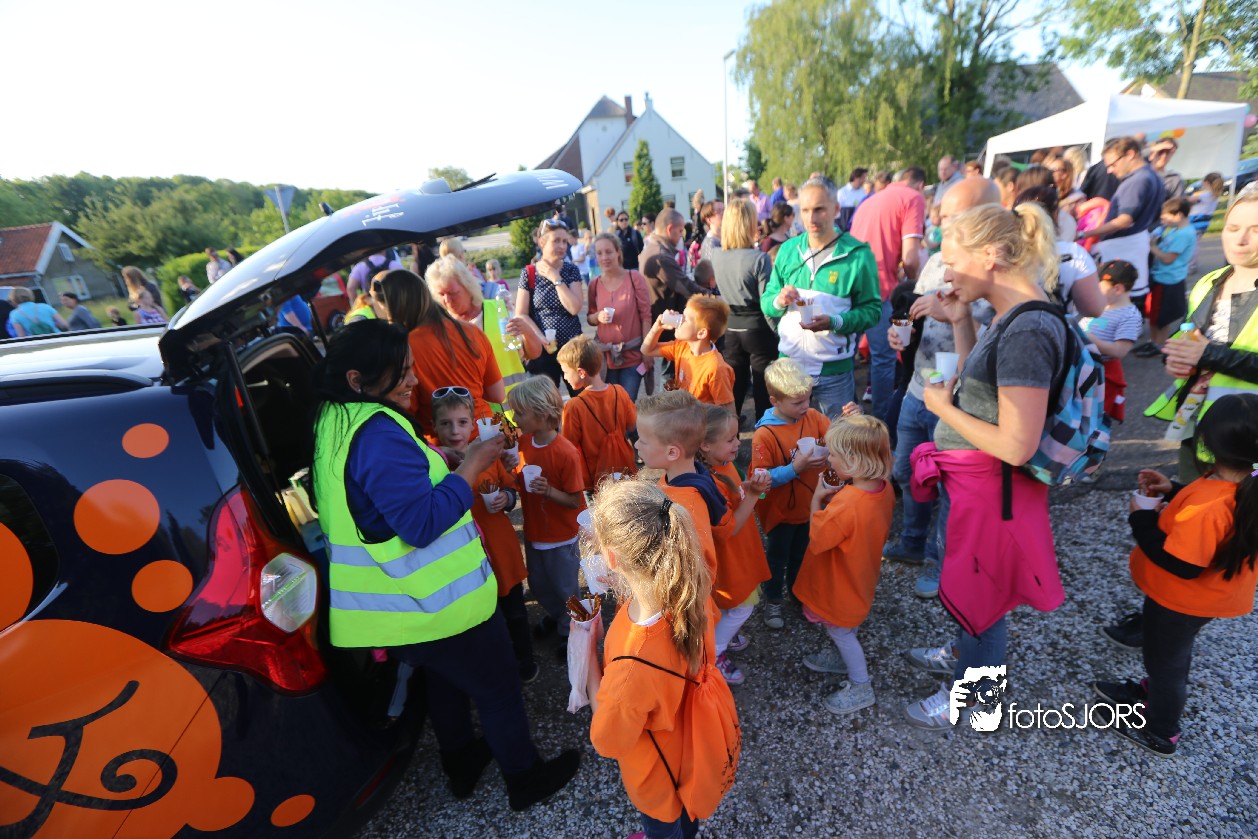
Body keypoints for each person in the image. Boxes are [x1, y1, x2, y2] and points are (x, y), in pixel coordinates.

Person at [309, 319, 578, 809]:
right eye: (402, 372)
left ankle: (461, 761)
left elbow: (379, 494)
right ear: (357, 379)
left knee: (445, 683)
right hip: (438, 603)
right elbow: (421, 523)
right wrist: (471, 465)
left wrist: (445, 462)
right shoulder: (379, 432)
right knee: (498, 687)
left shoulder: (335, 419)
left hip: (401, 605)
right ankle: (524, 777)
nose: (414, 380)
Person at [903, 202, 1068, 730]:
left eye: (953, 263)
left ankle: (975, 698)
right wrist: (959, 322)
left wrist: (942, 408)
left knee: (985, 593)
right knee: (972, 584)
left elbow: (1017, 444)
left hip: (995, 489)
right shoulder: (1010, 312)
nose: (946, 276)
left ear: (992, 255)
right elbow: (987, 384)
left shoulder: (1026, 330)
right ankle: (965, 655)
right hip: (977, 483)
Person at [1093, 393, 1258, 757]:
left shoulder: (1209, 509)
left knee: (1164, 663)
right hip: (1206, 598)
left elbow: (1182, 565)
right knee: (1171, 655)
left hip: (1180, 601)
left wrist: (1141, 518)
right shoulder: (1243, 485)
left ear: (1207, 442)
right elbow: (1217, 509)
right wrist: (1174, 491)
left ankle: (1160, 729)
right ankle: (1154, 694)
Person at [586, 479, 736, 839]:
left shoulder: (631, 668)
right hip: (693, 750)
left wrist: (589, 659)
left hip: (659, 775)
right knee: (687, 815)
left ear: (611, 558)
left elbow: (609, 741)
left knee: (664, 827)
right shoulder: (692, 590)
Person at [884, 176, 1002, 597]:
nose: (943, 224)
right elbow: (914, 314)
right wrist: (902, 335)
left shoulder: (1000, 275)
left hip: (963, 402)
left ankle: (939, 562)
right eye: (943, 215)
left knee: (952, 487)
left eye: (956, 216)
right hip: (920, 386)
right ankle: (913, 541)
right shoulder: (936, 261)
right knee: (906, 471)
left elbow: (1000, 342)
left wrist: (956, 316)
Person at [1145, 186, 1258, 482]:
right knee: (1194, 501)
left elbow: (1205, 351)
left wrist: (1207, 354)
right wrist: (1175, 360)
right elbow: (1188, 337)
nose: (1240, 239)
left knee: (1242, 509)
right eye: (1232, 228)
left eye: (1255, 230)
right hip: (1198, 426)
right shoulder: (1209, 282)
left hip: (1248, 441)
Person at [430, 388, 536, 683]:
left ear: (473, 424)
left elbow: (511, 487)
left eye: (462, 422)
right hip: (465, 557)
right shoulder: (433, 462)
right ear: (434, 426)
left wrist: (507, 498)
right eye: (446, 423)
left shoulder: (488, 455)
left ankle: (524, 660)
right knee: (484, 618)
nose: (455, 431)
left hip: (499, 549)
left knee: (514, 611)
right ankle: (497, 666)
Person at [794, 415, 895, 715]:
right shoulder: (883, 487)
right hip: (861, 574)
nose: (829, 460)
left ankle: (861, 685)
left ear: (852, 463)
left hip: (840, 583)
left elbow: (818, 538)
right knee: (846, 627)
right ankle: (842, 657)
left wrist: (817, 500)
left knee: (841, 632)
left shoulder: (848, 503)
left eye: (834, 456)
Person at [761, 176, 881, 418]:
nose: (812, 218)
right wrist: (779, 300)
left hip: (834, 372)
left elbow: (872, 310)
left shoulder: (857, 254)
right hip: (790, 367)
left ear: (836, 209)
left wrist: (835, 322)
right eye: (805, 210)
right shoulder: (788, 250)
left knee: (840, 435)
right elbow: (767, 302)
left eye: (819, 209)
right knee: (790, 436)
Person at [751, 358, 832, 630]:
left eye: (808, 398)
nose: (805, 406)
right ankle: (773, 600)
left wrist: (845, 425)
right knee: (777, 558)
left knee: (802, 555)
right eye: (798, 402)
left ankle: (798, 596)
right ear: (775, 401)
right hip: (781, 512)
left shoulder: (813, 417)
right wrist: (795, 468)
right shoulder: (764, 435)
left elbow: (834, 437)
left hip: (808, 506)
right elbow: (761, 480)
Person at [373, 268, 505, 435]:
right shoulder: (472, 332)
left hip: (443, 443)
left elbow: (406, 411)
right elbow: (497, 395)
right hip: (486, 434)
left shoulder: (404, 348)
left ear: (391, 308)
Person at [507, 376, 586, 653]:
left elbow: (575, 500)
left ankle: (573, 631)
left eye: (520, 412)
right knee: (539, 585)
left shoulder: (566, 452)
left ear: (541, 415)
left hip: (561, 537)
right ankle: (560, 617)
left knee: (566, 589)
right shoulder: (523, 443)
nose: (514, 418)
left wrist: (549, 491)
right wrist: (509, 470)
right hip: (535, 532)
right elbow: (519, 480)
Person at [697, 405, 771, 684]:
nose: (738, 443)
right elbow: (728, 530)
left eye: (737, 436)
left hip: (740, 550)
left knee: (731, 605)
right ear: (705, 445)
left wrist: (751, 488)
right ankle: (715, 652)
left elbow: (738, 496)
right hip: (730, 557)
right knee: (742, 607)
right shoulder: (710, 481)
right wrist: (753, 495)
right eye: (730, 439)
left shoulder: (724, 465)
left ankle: (724, 631)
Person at [850, 167, 928, 420]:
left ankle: (849, 418)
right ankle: (881, 422)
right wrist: (915, 284)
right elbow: (911, 257)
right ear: (920, 184)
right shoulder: (913, 198)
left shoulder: (870, 200)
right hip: (881, 286)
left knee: (846, 354)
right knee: (883, 358)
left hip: (852, 284)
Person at [634, 391, 731, 584]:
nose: (636, 445)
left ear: (672, 452)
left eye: (643, 441)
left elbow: (695, 574)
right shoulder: (680, 478)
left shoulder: (688, 508)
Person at [426, 255, 536, 410]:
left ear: (468, 287)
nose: (447, 300)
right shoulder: (441, 327)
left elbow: (532, 353)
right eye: (441, 294)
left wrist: (528, 332)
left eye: (452, 293)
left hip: (517, 409)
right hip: (476, 416)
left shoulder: (499, 310)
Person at [708, 197, 777, 423]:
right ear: (749, 224)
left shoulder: (716, 255)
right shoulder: (760, 259)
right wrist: (779, 331)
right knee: (764, 394)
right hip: (758, 329)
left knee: (733, 393)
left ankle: (729, 439)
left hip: (731, 329)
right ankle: (766, 438)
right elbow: (767, 302)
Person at [1086, 136, 1166, 307]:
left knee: (1118, 303)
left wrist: (1085, 234)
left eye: (1113, 164)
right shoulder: (1151, 176)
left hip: (1123, 249)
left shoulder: (1137, 181)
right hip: (1133, 246)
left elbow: (1124, 220)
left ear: (1130, 154)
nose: (1110, 171)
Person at [1012, 185, 1106, 317]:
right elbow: (1094, 309)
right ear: (1056, 214)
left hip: (1004, 325)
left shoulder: (1002, 250)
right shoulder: (1074, 254)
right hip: (1052, 325)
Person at [558, 335, 638, 490]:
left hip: (593, 477)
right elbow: (632, 425)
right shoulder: (619, 391)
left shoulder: (574, 406)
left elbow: (569, 445)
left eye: (565, 372)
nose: (565, 378)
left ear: (581, 372)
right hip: (623, 468)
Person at [515, 219, 584, 391]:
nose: (562, 246)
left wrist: (555, 278)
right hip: (542, 350)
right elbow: (521, 314)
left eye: (564, 241)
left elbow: (574, 308)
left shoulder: (570, 270)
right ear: (542, 242)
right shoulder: (529, 273)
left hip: (572, 347)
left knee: (583, 397)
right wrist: (540, 337)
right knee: (545, 400)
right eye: (556, 240)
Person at [642, 296, 736, 413]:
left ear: (701, 333)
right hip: (685, 417)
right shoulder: (682, 346)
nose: (680, 320)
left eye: (685, 318)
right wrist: (657, 327)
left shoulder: (716, 369)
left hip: (702, 422)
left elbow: (728, 412)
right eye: (682, 314)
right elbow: (647, 350)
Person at [587, 233, 652, 398]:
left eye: (609, 252)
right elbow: (589, 317)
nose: (604, 257)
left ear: (618, 252)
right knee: (610, 405)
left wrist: (647, 350)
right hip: (605, 359)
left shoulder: (634, 278)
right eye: (599, 253)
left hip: (632, 356)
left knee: (627, 403)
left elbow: (646, 316)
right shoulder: (594, 284)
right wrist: (597, 316)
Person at [1079, 260, 1143, 423]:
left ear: (1117, 289)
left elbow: (1120, 351)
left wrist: (1092, 340)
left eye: (1098, 288)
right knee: (1081, 408)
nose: (1094, 293)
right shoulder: (1100, 306)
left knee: (1096, 413)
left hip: (1104, 373)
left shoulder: (1129, 316)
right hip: (1085, 367)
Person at [1134, 198, 1199, 358]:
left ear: (1179, 215)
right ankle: (1153, 341)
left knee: (1163, 316)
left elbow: (1168, 258)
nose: (1162, 220)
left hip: (1169, 280)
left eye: (1166, 217)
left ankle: (1159, 344)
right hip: (1161, 277)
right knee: (1154, 314)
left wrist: (1152, 247)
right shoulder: (1174, 230)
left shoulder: (1184, 234)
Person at [1044, 154, 1086, 241]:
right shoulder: (1047, 193)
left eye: (1053, 170)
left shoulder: (1078, 198)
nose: (1049, 173)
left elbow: (1082, 224)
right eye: (1049, 170)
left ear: (1064, 174)